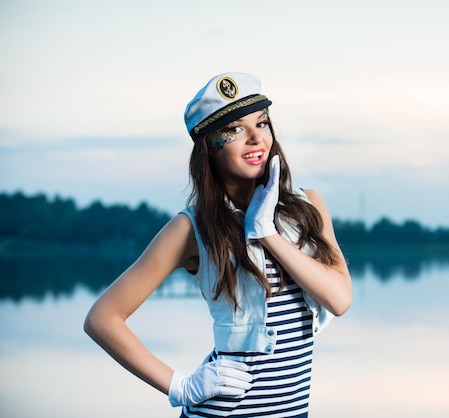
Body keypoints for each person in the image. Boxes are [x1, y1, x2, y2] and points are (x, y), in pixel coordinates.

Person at [84, 72, 352, 418]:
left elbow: (340, 299)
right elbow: (102, 319)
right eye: (235, 129)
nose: (256, 139)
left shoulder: (309, 206)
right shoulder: (191, 227)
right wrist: (181, 387)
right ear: (209, 145)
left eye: (262, 123)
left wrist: (266, 231)